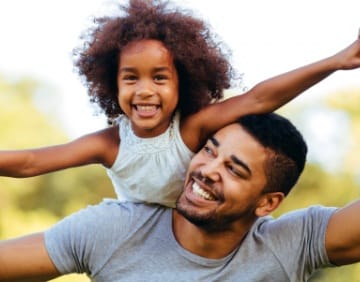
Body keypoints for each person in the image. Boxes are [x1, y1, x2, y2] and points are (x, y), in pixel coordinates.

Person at [1, 0, 360, 207]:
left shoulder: (191, 129)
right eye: (131, 78)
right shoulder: (110, 144)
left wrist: (336, 61)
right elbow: (32, 162)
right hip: (136, 239)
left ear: (182, 83)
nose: (144, 90)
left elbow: (260, 97)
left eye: (159, 78)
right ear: (112, 84)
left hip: (198, 233)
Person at [1, 112, 360, 281]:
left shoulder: (289, 244)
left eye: (234, 169)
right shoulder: (116, 229)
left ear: (267, 203)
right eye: (208, 150)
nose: (207, 169)